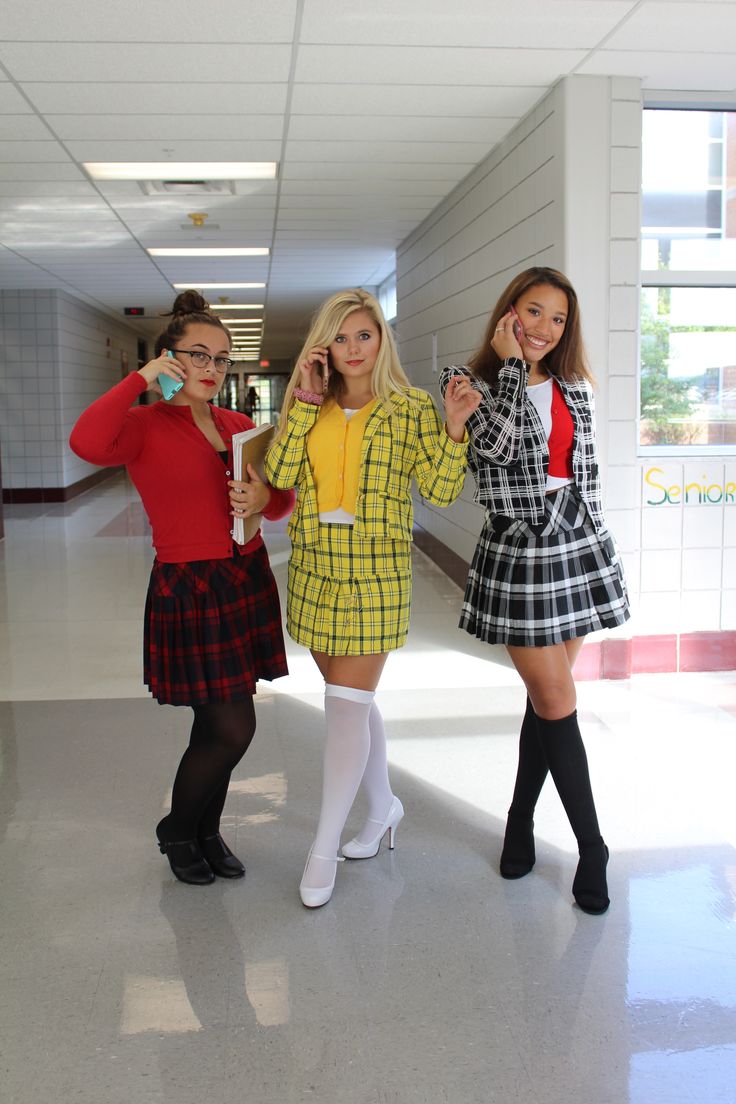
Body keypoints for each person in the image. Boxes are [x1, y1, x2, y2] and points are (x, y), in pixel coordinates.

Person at [70, 291, 294, 886]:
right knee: (231, 726)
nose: (212, 369)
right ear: (170, 358)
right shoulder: (143, 424)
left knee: (213, 723)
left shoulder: (239, 424)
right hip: (191, 586)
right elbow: (86, 442)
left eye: (222, 358)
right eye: (197, 355)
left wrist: (266, 497)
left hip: (244, 578)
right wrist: (140, 379)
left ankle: (204, 830)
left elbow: (282, 502)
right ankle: (178, 828)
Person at [265, 288, 480, 908]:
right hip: (314, 569)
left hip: (376, 575)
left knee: (344, 709)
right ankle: (384, 806)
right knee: (350, 705)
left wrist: (455, 426)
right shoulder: (310, 404)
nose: (353, 348)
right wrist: (304, 401)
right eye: (341, 337)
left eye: (364, 335)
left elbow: (439, 490)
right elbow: (279, 476)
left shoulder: (409, 406)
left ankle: (322, 847)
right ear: (324, 346)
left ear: (382, 340)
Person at [439, 267, 629, 915]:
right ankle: (592, 847)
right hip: (517, 545)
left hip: (573, 537)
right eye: (533, 312)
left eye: (557, 318)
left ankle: (519, 819)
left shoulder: (577, 389)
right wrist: (511, 366)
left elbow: (584, 470)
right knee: (555, 696)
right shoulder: (467, 383)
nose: (544, 328)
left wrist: (596, 537)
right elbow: (494, 448)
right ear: (508, 315)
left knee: (548, 701)